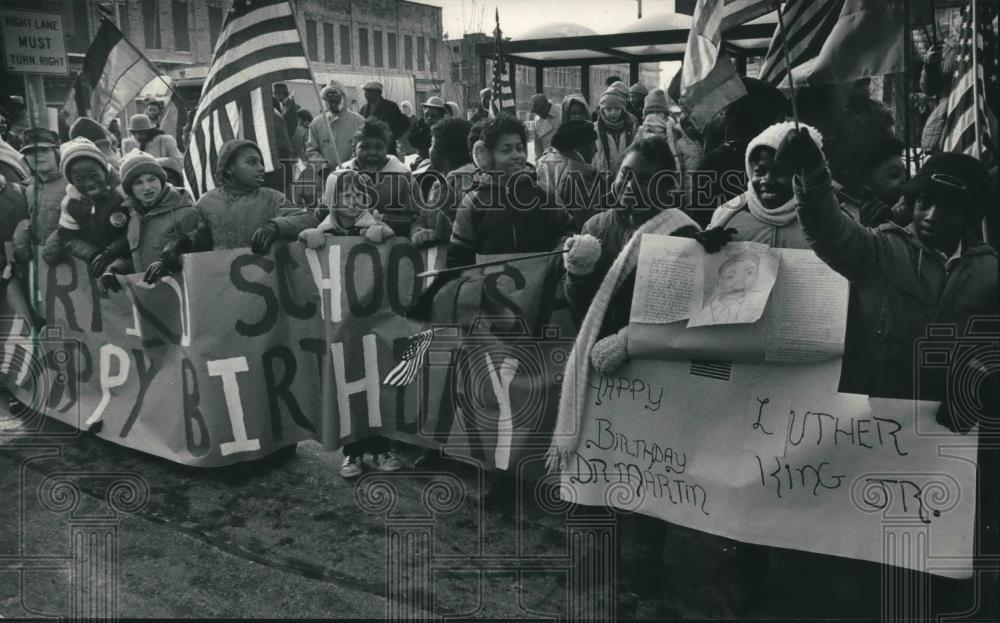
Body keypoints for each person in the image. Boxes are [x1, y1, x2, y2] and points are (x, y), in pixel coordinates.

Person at [784, 132, 999, 620]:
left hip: (955, 439)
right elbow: (827, 230)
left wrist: (980, 384)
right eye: (924, 202)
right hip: (882, 431)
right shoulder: (881, 251)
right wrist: (812, 178)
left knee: (945, 565)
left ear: (970, 216)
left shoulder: (990, 273)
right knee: (878, 558)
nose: (932, 216)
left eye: (948, 208)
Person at [448, 113, 577, 268]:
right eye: (506, 150)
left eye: (519, 148)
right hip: (490, 290)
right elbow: (458, 257)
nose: (517, 155)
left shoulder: (542, 192)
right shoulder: (471, 203)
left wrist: (562, 246)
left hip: (544, 287)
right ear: (488, 156)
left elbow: (568, 231)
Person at [164, 139, 317, 264]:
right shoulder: (206, 202)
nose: (261, 168)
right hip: (223, 281)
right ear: (229, 168)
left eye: (261, 163)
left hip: (265, 278)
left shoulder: (273, 198)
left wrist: (276, 226)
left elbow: (308, 220)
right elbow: (202, 237)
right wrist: (180, 245)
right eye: (252, 162)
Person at [301, 119, 426, 247]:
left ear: (386, 149)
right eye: (365, 147)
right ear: (354, 149)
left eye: (378, 147)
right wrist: (331, 201)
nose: (372, 152)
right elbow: (320, 216)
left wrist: (377, 217)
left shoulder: (402, 175)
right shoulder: (342, 174)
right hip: (344, 246)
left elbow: (416, 218)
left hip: (389, 246)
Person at [708, 121, 831, 250]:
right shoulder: (727, 216)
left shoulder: (827, 222)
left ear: (804, 175)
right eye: (759, 171)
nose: (767, 180)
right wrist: (704, 248)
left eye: (781, 173)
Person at [691, 77, 788, 227]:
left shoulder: (710, 163)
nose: (780, 124)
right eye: (778, 118)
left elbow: (700, 226)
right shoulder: (775, 163)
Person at [100, 151, 199, 290]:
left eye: (152, 179)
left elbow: (200, 257)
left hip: (182, 294)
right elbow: (136, 258)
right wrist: (114, 269)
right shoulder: (134, 217)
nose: (147, 187)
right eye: (138, 183)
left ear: (161, 180)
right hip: (151, 298)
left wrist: (170, 262)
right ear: (130, 189)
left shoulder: (186, 211)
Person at [43, 138, 130, 279]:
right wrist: (94, 254)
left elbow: (138, 225)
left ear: (105, 171)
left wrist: (111, 252)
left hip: (128, 260)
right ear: (71, 180)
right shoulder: (71, 203)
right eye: (79, 179)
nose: (89, 183)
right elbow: (67, 236)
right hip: (99, 264)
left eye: (94, 175)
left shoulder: (123, 193)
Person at [302, 81, 365, 207]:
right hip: (326, 179)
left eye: (336, 96)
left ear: (343, 97)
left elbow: (363, 148)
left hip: (353, 177)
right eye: (328, 98)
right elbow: (311, 150)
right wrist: (322, 167)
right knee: (328, 208)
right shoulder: (317, 123)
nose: (333, 101)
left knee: (352, 208)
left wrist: (350, 167)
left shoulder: (359, 121)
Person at [12, 128, 66, 269]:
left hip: (76, 265)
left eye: (43, 150)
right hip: (44, 269)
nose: (37, 156)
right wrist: (23, 230)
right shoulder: (28, 190)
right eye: (30, 152)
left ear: (56, 152)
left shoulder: (73, 184)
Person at [535, 119, 601, 228]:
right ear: (582, 146)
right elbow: (588, 223)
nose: (596, 149)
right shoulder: (580, 173)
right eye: (593, 143)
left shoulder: (544, 160)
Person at [424, 116, 475, 224]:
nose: (429, 149)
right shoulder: (441, 181)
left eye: (432, 144)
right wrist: (418, 230)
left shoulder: (455, 189)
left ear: (443, 154)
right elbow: (422, 219)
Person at [593, 82, 639, 176]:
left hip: (627, 178)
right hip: (603, 178)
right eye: (608, 109)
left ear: (622, 109)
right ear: (602, 110)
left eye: (617, 109)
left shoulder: (632, 127)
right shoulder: (595, 129)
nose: (613, 113)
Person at [359, 81, 410, 156]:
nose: (365, 94)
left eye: (368, 92)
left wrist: (393, 136)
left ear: (377, 93)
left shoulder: (391, 106)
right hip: (369, 149)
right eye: (365, 92)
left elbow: (405, 123)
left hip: (387, 148)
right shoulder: (364, 109)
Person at [408, 96, 448, 162]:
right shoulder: (420, 123)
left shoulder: (445, 128)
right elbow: (412, 141)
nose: (429, 118)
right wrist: (428, 128)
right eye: (427, 115)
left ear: (441, 116)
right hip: (423, 160)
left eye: (433, 115)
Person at [529, 93, 561, 161]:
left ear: (546, 105)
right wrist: (538, 162)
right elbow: (538, 146)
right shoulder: (537, 120)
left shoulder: (560, 115)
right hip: (545, 161)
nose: (539, 115)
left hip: (560, 159)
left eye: (540, 111)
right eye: (536, 113)